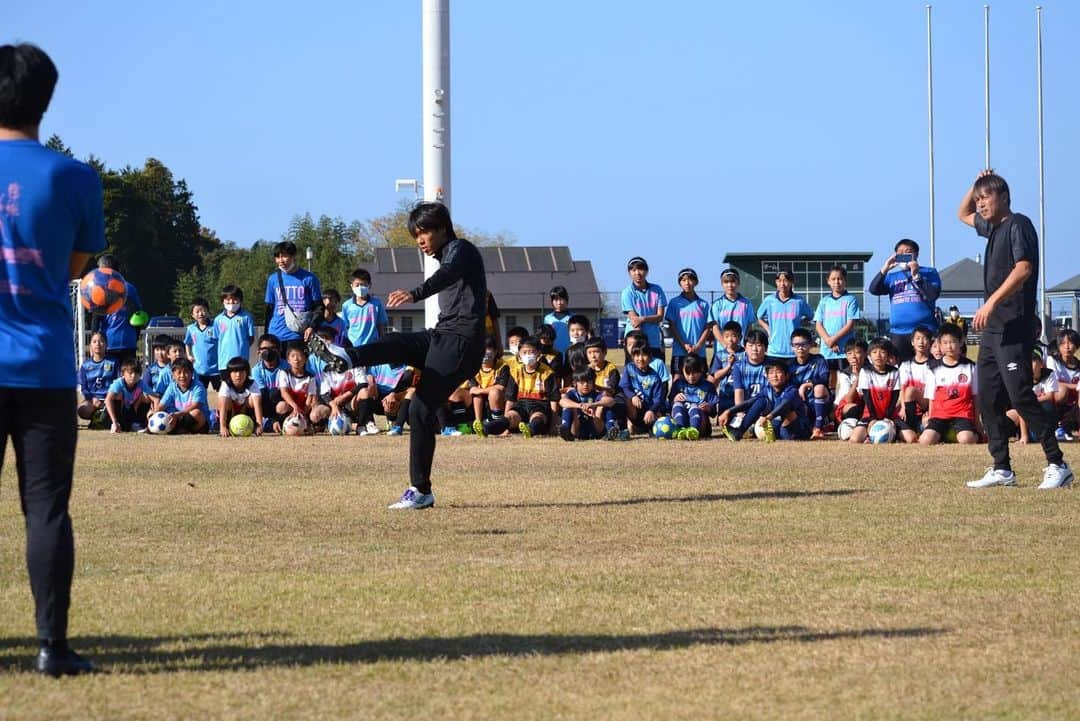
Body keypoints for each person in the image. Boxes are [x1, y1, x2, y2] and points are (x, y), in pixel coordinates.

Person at [0, 43, 101, 675]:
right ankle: (50, 647)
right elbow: (72, 269)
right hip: (42, 366)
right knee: (46, 510)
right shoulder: (74, 177)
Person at [310, 202, 487, 509]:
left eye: (424, 232)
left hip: (463, 342)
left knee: (419, 408)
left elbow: (447, 275)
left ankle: (420, 491)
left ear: (442, 228)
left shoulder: (461, 249)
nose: (420, 240)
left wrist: (415, 294)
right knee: (395, 342)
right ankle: (348, 357)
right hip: (442, 334)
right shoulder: (445, 253)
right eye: (415, 234)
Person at [958, 170, 1071, 488]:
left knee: (1020, 395)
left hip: (1014, 325)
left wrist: (991, 302)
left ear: (1004, 197)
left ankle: (1057, 463)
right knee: (989, 399)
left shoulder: (1018, 224)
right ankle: (1002, 468)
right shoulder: (991, 229)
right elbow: (961, 213)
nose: (980, 205)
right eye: (979, 199)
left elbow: (1024, 268)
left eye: (986, 197)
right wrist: (976, 183)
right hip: (993, 331)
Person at [867, 239, 942, 362]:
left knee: (928, 366)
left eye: (908, 252)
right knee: (902, 369)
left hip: (924, 330)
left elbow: (933, 294)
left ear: (916, 254)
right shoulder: (892, 277)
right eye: (900, 253)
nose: (904, 256)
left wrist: (917, 275)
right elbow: (873, 289)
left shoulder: (929, 272)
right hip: (899, 333)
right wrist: (884, 269)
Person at [918, 323, 983, 445]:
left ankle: (973, 435)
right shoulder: (932, 367)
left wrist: (977, 424)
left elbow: (975, 397)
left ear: (961, 342)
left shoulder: (971, 367)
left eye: (953, 342)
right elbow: (931, 398)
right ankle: (943, 434)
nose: (949, 346)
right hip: (940, 415)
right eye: (945, 343)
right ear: (940, 345)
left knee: (966, 440)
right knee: (925, 441)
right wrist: (931, 419)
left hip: (962, 414)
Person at [847, 337, 907, 445]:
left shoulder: (895, 372)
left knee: (911, 438)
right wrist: (873, 419)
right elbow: (867, 398)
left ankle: (892, 434)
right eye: (874, 352)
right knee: (855, 440)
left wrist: (888, 419)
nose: (878, 355)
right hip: (870, 415)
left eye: (882, 352)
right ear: (869, 356)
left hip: (890, 416)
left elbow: (894, 398)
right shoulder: (865, 372)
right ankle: (869, 435)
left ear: (888, 355)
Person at [263, 240, 322, 344]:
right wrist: (266, 337)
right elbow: (269, 309)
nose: (281, 260)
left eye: (284, 256)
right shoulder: (272, 279)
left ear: (293, 256)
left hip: (299, 336)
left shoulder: (309, 278)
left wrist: (312, 327)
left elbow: (319, 307)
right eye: (277, 257)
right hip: (276, 336)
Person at [91, 253, 143, 363]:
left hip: (108, 343)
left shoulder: (101, 289)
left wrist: (94, 342)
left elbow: (96, 318)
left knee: (108, 377)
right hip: (128, 341)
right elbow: (139, 317)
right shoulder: (130, 288)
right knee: (129, 377)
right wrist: (135, 336)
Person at [756, 270, 813, 362]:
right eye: (779, 280)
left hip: (793, 351)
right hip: (774, 351)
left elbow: (810, 316)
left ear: (791, 282)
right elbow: (759, 317)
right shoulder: (769, 300)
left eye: (786, 280)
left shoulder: (799, 301)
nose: (782, 284)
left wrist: (799, 323)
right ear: (776, 282)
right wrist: (768, 329)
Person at [664, 268, 710, 380]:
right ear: (679, 283)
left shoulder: (703, 304)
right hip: (680, 350)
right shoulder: (674, 303)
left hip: (699, 352)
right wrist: (683, 344)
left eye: (690, 279)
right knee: (677, 380)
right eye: (683, 280)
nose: (687, 283)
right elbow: (672, 325)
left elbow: (708, 327)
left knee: (701, 381)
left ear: (696, 282)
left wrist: (698, 345)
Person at [813, 264, 861, 370]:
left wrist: (833, 339)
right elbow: (818, 325)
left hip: (844, 351)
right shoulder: (824, 301)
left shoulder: (851, 299)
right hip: (826, 350)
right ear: (828, 281)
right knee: (828, 381)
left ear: (845, 281)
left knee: (845, 379)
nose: (837, 282)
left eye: (840, 279)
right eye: (833, 279)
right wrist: (828, 341)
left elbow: (850, 325)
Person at [1006, 347, 1057, 444]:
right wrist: (1024, 436)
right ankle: (1020, 434)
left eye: (1033, 360)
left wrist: (1029, 401)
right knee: (1004, 422)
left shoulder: (1049, 374)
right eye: (1026, 360)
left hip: (1038, 410)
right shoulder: (1020, 378)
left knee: (1048, 406)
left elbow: (1050, 396)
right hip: (1020, 412)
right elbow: (1021, 406)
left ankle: (1039, 434)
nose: (1029, 364)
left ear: (1041, 363)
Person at [789, 328, 831, 439]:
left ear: (811, 345)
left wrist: (808, 384)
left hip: (819, 401)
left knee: (819, 388)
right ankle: (811, 426)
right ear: (792, 347)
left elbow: (825, 379)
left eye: (804, 344)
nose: (800, 348)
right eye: (796, 345)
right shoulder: (790, 366)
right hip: (801, 404)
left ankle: (818, 427)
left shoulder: (819, 360)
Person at [621, 256, 667, 358]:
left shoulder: (657, 290)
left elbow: (660, 316)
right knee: (634, 373)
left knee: (656, 371)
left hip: (654, 341)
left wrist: (643, 318)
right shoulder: (627, 292)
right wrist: (642, 345)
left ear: (646, 271)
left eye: (640, 269)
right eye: (633, 270)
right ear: (629, 273)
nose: (637, 273)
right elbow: (634, 321)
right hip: (634, 343)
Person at [619, 343, 669, 434]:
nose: (640, 359)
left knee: (658, 415)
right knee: (626, 399)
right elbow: (624, 386)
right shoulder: (629, 368)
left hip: (648, 409)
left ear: (650, 357)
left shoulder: (654, 377)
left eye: (644, 355)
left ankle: (648, 427)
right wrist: (633, 396)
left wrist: (651, 410)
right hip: (635, 409)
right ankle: (627, 425)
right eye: (637, 355)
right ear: (632, 357)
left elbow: (658, 399)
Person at [152, 357, 209, 434]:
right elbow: (162, 405)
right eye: (179, 373)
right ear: (173, 375)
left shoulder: (198, 386)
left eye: (186, 372)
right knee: (152, 412)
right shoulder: (172, 386)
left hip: (196, 420)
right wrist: (154, 416)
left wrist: (178, 414)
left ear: (192, 373)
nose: (182, 375)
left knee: (196, 413)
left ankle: (183, 430)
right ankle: (177, 430)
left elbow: (196, 405)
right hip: (178, 417)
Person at [667, 355, 718, 440]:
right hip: (682, 419)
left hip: (701, 424)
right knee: (677, 405)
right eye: (688, 373)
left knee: (694, 406)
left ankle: (693, 431)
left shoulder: (708, 386)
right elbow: (668, 407)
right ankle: (680, 429)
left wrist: (708, 408)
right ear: (682, 371)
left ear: (701, 370)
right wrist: (674, 400)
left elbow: (714, 413)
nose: (691, 376)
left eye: (694, 373)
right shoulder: (678, 384)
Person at [898, 326, 935, 436]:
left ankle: (913, 426)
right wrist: (903, 408)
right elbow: (901, 389)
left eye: (924, 339)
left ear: (929, 343)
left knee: (910, 391)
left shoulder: (935, 365)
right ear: (912, 342)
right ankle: (911, 426)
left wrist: (931, 413)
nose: (921, 342)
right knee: (908, 391)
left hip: (927, 404)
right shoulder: (905, 365)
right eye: (918, 338)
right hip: (910, 407)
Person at [468, 337, 509, 436]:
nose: (485, 353)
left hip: (498, 400)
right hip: (480, 400)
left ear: (495, 351)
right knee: (476, 396)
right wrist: (479, 391)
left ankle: (498, 425)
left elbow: (500, 388)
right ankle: (478, 423)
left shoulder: (503, 366)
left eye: (488, 349)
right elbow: (473, 389)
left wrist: (480, 390)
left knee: (494, 392)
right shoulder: (473, 366)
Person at [558, 368, 612, 441]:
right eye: (582, 382)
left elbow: (611, 401)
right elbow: (562, 401)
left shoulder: (596, 394)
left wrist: (593, 405)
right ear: (575, 383)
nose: (586, 385)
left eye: (589, 382)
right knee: (568, 407)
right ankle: (566, 431)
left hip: (594, 426)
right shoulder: (572, 393)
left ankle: (610, 430)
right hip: (577, 427)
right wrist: (580, 406)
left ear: (593, 383)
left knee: (604, 406)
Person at [217, 356, 265, 437]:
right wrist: (223, 427)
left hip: (245, 412)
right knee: (225, 401)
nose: (238, 375)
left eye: (242, 371)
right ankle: (227, 425)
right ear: (229, 373)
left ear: (247, 372)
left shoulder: (252, 383)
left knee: (253, 399)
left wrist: (259, 425)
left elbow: (257, 405)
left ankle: (252, 425)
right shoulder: (225, 384)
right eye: (234, 371)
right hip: (230, 412)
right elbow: (223, 407)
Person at [77, 331, 117, 426]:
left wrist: (109, 398)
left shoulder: (113, 362)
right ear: (90, 345)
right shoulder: (85, 366)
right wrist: (93, 399)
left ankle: (104, 417)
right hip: (92, 400)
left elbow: (118, 383)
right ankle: (98, 416)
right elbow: (84, 388)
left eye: (101, 341)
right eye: (94, 341)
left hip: (110, 399)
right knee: (82, 410)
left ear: (106, 345)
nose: (98, 344)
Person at [214, 284, 256, 374]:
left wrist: (242, 347)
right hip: (224, 362)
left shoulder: (246, 317)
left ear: (240, 300)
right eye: (228, 299)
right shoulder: (218, 319)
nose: (231, 302)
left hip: (241, 361)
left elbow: (251, 338)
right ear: (223, 301)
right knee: (226, 386)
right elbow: (217, 339)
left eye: (235, 299)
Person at [342, 268, 388, 348]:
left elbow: (380, 326)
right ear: (352, 286)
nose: (360, 287)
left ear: (369, 285)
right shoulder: (346, 306)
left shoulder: (376, 303)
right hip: (353, 347)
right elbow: (345, 328)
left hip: (373, 346)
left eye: (363, 285)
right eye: (357, 285)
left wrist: (382, 344)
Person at [1047, 328, 1080, 441]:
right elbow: (1053, 382)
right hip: (1057, 404)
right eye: (1063, 343)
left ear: (1077, 346)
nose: (1067, 347)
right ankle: (1057, 425)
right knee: (1061, 390)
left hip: (1075, 405)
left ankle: (1066, 427)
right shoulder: (1053, 360)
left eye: (1070, 343)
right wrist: (1076, 387)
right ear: (1058, 346)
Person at [708, 268, 756, 343]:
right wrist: (725, 346)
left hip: (741, 350)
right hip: (722, 351)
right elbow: (715, 328)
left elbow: (749, 326)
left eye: (733, 281)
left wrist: (745, 344)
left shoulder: (746, 303)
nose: (730, 285)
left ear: (738, 283)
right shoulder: (717, 304)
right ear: (722, 284)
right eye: (726, 282)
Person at [104, 357, 152, 433]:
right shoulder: (118, 383)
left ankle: (137, 424)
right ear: (123, 373)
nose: (133, 376)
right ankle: (114, 424)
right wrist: (114, 421)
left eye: (136, 373)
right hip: (117, 414)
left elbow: (155, 398)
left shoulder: (141, 383)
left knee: (146, 398)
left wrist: (152, 417)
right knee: (118, 395)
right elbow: (108, 400)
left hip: (130, 411)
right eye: (130, 373)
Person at [707, 321, 744, 417]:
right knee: (724, 421)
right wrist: (728, 366)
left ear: (740, 337)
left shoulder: (745, 353)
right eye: (727, 336)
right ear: (723, 337)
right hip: (725, 393)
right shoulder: (720, 355)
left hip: (742, 393)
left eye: (734, 336)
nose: (730, 340)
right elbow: (715, 375)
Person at [184, 297, 220, 391]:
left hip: (216, 369)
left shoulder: (215, 326)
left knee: (221, 392)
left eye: (203, 310)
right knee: (199, 392)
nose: (201, 313)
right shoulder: (191, 329)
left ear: (208, 311)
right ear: (192, 314)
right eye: (197, 311)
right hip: (199, 369)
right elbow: (187, 343)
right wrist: (189, 355)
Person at [834, 339, 868, 427]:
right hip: (849, 406)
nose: (853, 356)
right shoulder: (844, 374)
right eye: (849, 353)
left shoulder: (871, 371)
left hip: (868, 404)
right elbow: (848, 400)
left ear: (865, 354)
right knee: (853, 409)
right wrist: (857, 379)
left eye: (857, 352)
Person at [544, 285, 572, 354]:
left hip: (570, 352)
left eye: (561, 299)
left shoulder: (573, 317)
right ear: (552, 301)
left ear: (567, 300)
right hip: (553, 353)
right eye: (556, 300)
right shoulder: (548, 318)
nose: (559, 303)